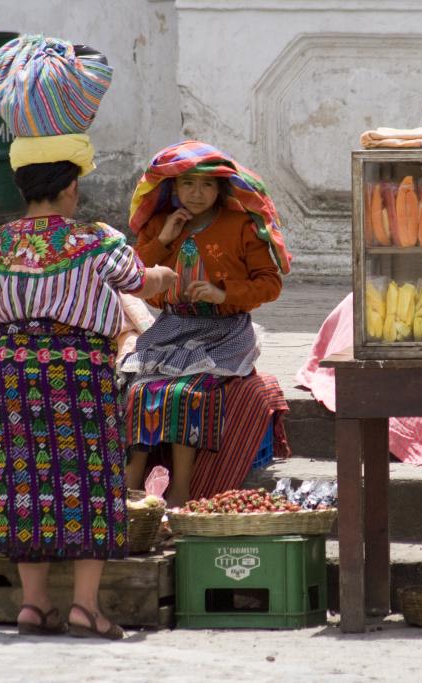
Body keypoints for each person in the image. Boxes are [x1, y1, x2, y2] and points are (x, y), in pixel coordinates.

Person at [0, 35, 176, 639]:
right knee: (88, 478)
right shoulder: (96, 240)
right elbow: (141, 280)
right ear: (71, 185)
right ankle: (85, 605)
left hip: (12, 370)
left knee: (24, 478)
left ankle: (33, 603)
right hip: (78, 373)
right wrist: (168, 271)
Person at [120, 140, 292, 507]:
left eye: (207, 185)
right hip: (172, 327)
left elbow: (269, 284)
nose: (197, 194)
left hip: (224, 332)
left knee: (187, 392)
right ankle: (127, 489)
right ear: (172, 187)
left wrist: (221, 293)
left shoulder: (242, 226)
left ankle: (182, 489)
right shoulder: (158, 225)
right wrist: (163, 240)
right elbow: (133, 278)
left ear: (221, 189)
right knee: (139, 392)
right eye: (187, 184)